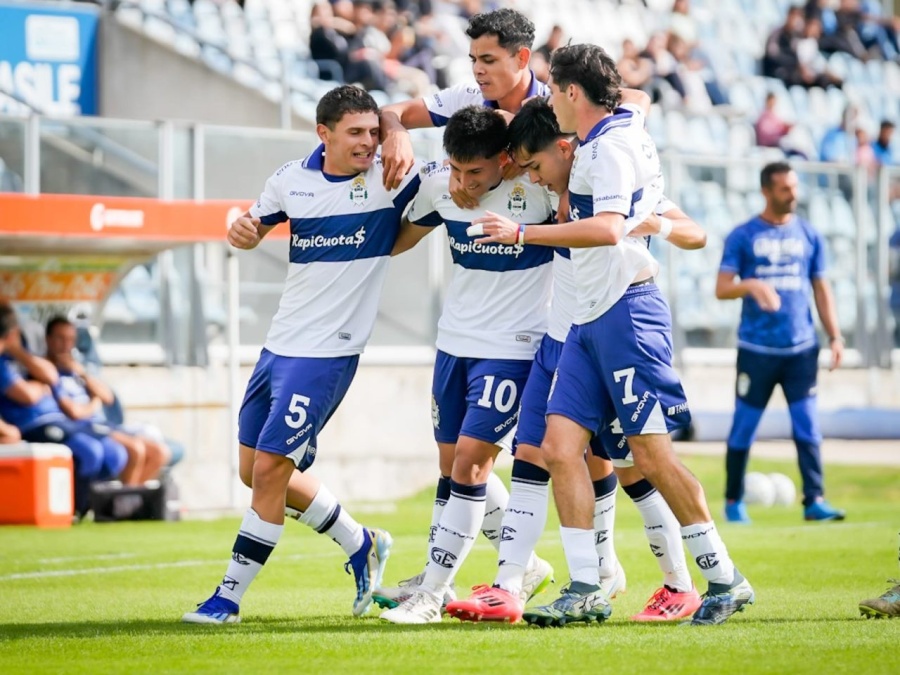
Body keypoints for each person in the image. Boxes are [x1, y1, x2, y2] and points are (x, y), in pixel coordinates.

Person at [474, 43, 754, 627]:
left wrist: (521, 235)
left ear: (572, 94)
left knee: (649, 455)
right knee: (558, 448)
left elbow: (605, 230)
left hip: (627, 313)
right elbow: (634, 103)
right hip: (586, 321)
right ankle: (585, 585)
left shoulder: (614, 147)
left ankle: (723, 576)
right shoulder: (602, 142)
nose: (549, 101)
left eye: (553, 91)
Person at [443, 97, 709, 625]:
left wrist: (651, 222)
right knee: (535, 451)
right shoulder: (547, 185)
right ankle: (513, 584)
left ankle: (679, 580)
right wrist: (467, 176)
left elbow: (694, 231)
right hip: (561, 339)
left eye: (536, 166)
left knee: (636, 466)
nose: (533, 177)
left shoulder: (609, 180)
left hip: (608, 333)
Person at [182, 85, 421, 625]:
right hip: (279, 345)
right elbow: (249, 230)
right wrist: (240, 232)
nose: (368, 143)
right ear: (324, 134)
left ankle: (227, 598)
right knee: (255, 471)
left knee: (270, 470)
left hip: (329, 352)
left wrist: (387, 233)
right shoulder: (291, 179)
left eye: (372, 132)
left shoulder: (394, 174)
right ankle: (360, 543)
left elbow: (434, 207)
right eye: (355, 133)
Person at [376, 105, 555, 625]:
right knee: (451, 464)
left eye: (474, 173)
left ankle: (433, 592)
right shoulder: (440, 188)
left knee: (473, 464)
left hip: (514, 345)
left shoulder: (539, 192)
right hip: (454, 343)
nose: (463, 182)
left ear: (506, 160)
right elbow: (395, 242)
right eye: (455, 170)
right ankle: (528, 566)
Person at [716, 161, 846, 525]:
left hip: (801, 349)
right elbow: (722, 287)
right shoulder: (743, 235)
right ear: (766, 191)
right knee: (744, 427)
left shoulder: (809, 234)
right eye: (785, 189)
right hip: (756, 350)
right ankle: (733, 501)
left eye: (795, 187)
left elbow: (821, 288)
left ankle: (814, 500)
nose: (793, 194)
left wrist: (834, 335)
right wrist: (752, 285)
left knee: (807, 427)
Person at [379, 7, 549, 197]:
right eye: (474, 60)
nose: (477, 69)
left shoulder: (556, 105)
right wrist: (396, 133)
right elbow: (390, 112)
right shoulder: (466, 95)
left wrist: (527, 151)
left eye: (488, 60)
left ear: (522, 58)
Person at [0, 302, 128, 518]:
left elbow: (51, 376)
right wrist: (40, 387)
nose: (65, 345)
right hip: (33, 425)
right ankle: (72, 510)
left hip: (66, 422)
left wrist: (19, 353)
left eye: (71, 339)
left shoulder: (26, 358)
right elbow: (29, 394)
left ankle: (94, 509)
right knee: (90, 452)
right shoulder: (4, 363)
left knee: (116, 453)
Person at [44, 316, 170, 485]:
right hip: (80, 428)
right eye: (60, 338)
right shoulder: (46, 371)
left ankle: (130, 502)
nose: (66, 345)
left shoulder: (76, 369)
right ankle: (123, 504)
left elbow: (107, 397)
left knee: (160, 453)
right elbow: (74, 412)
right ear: (48, 339)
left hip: (101, 425)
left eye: (70, 339)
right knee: (135, 450)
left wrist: (82, 373)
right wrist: (94, 403)